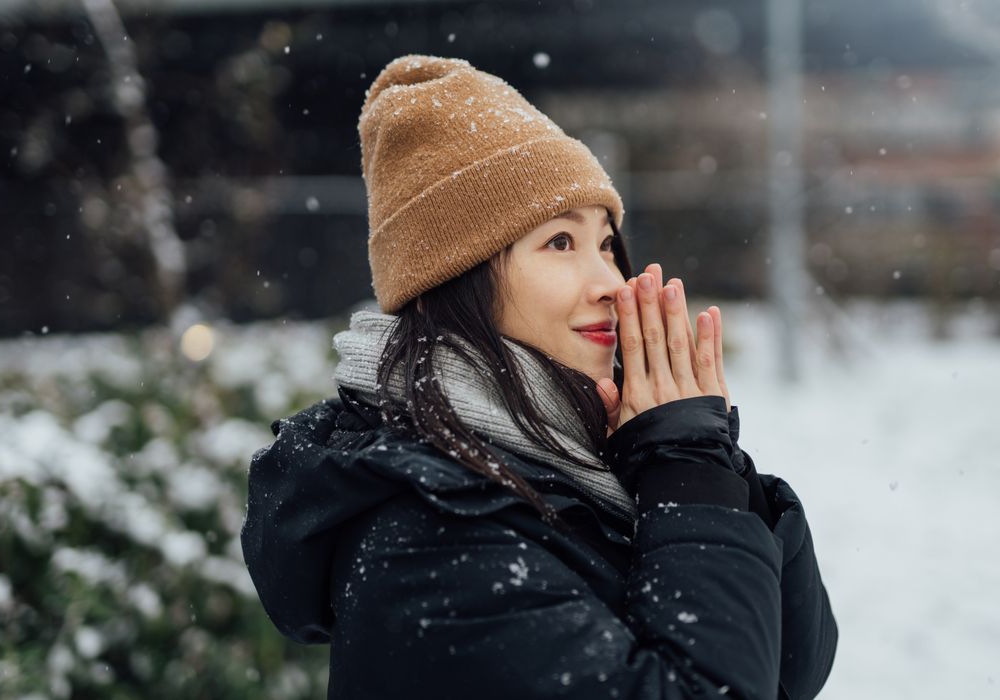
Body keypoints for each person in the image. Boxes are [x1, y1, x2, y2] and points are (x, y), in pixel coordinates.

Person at [240, 54, 837, 699]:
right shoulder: (430, 541)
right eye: (560, 242)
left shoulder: (578, 455)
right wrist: (690, 478)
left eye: (607, 243)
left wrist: (703, 464)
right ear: (459, 278)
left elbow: (789, 668)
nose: (612, 282)